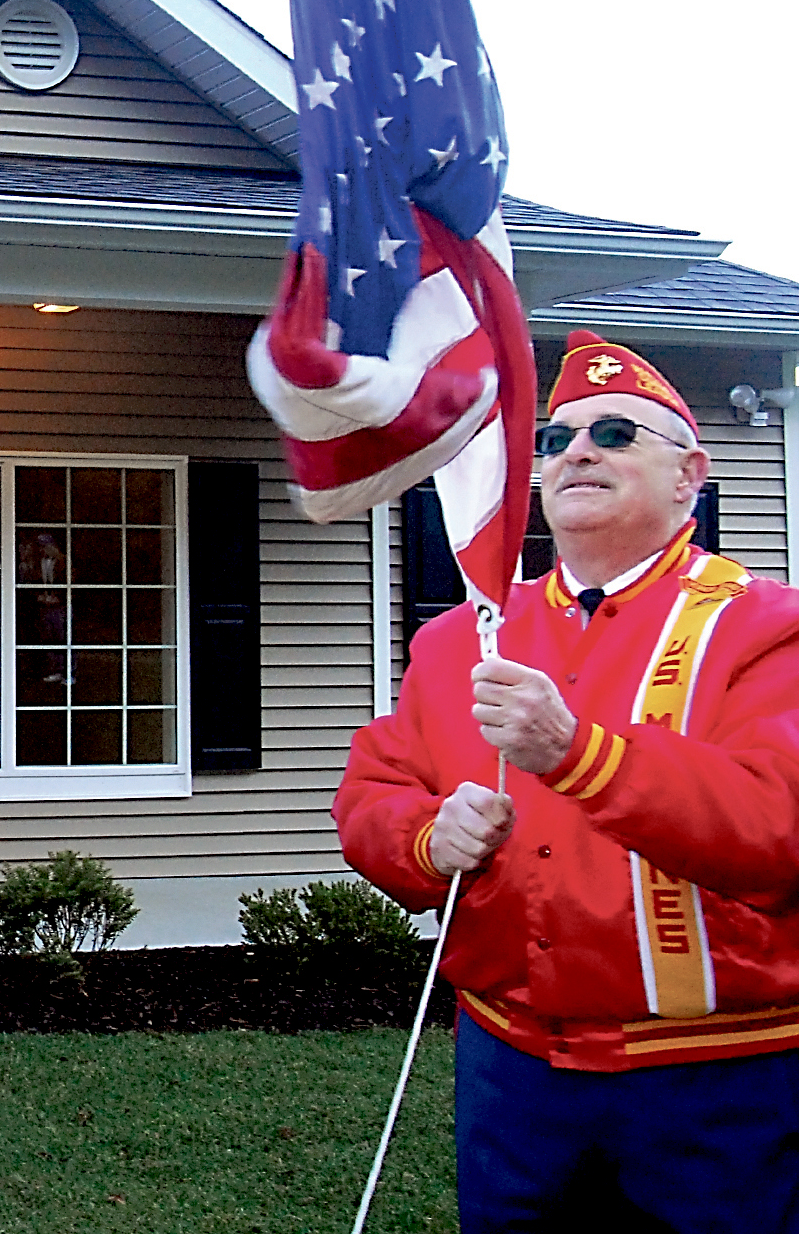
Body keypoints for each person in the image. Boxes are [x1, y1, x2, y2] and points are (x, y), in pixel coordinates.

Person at [336, 331, 799, 1232]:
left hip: (714, 1078)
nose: (575, 451)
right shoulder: (459, 638)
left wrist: (577, 754)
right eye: (554, 438)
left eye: (616, 432)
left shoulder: (765, 630)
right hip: (510, 1072)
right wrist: (429, 837)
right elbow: (370, 794)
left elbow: (775, 829)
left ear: (688, 476)